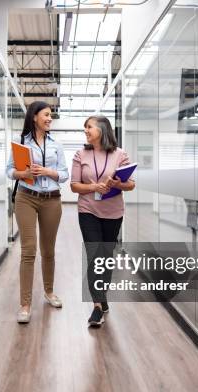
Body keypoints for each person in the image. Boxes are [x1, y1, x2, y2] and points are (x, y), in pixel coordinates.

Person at [6, 101, 69, 324]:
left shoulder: (56, 145)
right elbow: (9, 171)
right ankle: (25, 304)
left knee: (48, 250)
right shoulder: (20, 142)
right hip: (26, 198)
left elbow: (64, 174)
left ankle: (49, 292)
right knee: (28, 249)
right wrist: (22, 173)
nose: (50, 118)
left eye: (51, 115)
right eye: (46, 115)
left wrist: (47, 171)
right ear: (34, 117)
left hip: (52, 200)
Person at [70, 116, 135, 327]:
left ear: (102, 129)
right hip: (88, 210)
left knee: (106, 258)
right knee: (94, 255)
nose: (86, 130)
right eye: (85, 127)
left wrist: (119, 183)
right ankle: (97, 305)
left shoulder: (120, 154)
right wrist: (94, 187)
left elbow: (131, 184)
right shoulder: (81, 154)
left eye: (89, 126)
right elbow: (74, 185)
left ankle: (102, 295)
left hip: (113, 212)